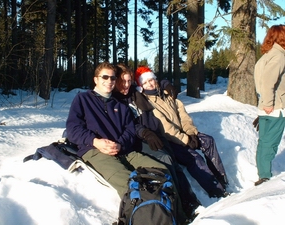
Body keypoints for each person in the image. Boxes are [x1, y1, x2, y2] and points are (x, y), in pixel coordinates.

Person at [65, 62, 188, 224]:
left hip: (125, 151)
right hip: (95, 151)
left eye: (113, 78)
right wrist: (96, 142)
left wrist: (120, 145)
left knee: (162, 171)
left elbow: (130, 130)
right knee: (131, 183)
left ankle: (178, 217)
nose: (109, 81)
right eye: (105, 77)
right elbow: (73, 129)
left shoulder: (120, 105)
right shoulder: (83, 99)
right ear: (96, 79)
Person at [112, 64, 201, 220]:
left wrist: (166, 83)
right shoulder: (117, 100)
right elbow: (128, 124)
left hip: (153, 133)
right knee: (164, 160)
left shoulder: (132, 92)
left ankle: (190, 201)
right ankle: (178, 208)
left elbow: (152, 82)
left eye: (128, 81)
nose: (126, 85)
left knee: (172, 160)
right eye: (122, 82)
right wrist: (145, 133)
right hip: (137, 140)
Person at [134, 66, 229, 198]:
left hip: (183, 133)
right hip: (170, 140)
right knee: (194, 158)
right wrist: (185, 140)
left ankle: (221, 178)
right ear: (141, 86)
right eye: (145, 82)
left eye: (151, 80)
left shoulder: (167, 94)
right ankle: (216, 191)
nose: (150, 84)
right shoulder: (149, 103)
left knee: (208, 141)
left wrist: (190, 132)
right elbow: (165, 127)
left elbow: (183, 114)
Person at [253, 25, 285, 186]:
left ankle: (263, 175)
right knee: (269, 143)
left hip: (267, 107)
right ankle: (264, 178)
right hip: (275, 108)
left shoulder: (267, 56)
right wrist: (269, 104)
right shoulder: (279, 56)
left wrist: (264, 106)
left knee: (264, 142)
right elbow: (267, 81)